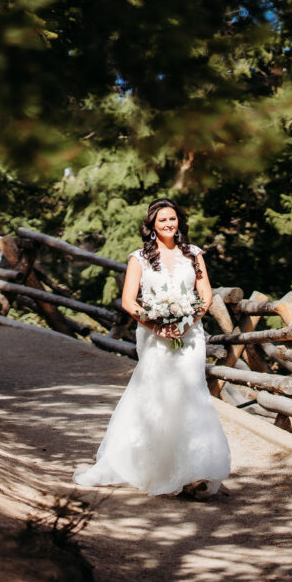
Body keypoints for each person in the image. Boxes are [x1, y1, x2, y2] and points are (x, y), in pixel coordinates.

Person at [73, 198, 230, 497]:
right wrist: (158, 325)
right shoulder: (139, 259)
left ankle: (195, 469)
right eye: (162, 221)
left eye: (172, 219)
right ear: (152, 226)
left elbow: (205, 294)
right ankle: (156, 468)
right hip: (154, 336)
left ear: (179, 222)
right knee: (157, 398)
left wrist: (187, 321)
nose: (169, 224)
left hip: (190, 337)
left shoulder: (194, 255)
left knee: (191, 395)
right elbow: (129, 302)